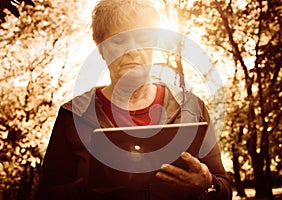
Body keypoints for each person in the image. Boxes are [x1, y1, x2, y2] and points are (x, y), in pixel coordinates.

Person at [35, 0, 232, 199]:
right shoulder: (73, 115)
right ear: (102, 50)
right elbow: (46, 194)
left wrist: (207, 184)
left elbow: (224, 189)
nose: (132, 50)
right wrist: (91, 187)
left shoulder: (192, 108)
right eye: (119, 41)